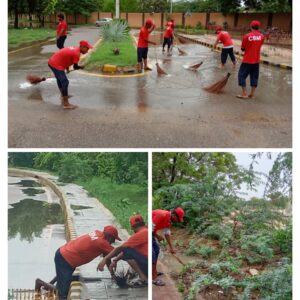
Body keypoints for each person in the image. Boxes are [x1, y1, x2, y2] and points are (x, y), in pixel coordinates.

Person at [51, 225, 121, 300]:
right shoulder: (102, 243)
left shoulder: (98, 233)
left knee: (63, 277)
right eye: (113, 240)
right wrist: (116, 259)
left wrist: (112, 274)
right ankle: (42, 284)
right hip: (66, 259)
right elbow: (118, 252)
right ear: (110, 237)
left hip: (64, 253)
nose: (113, 242)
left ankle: (46, 284)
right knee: (63, 293)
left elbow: (107, 257)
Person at [97, 214, 148, 286]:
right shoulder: (147, 230)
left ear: (132, 227)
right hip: (149, 263)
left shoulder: (139, 235)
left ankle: (143, 278)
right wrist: (115, 260)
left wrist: (105, 259)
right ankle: (140, 275)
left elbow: (120, 249)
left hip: (147, 264)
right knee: (129, 251)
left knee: (127, 252)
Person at [48, 40, 93, 109]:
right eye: (87, 49)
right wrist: (81, 67)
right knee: (65, 82)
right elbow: (75, 67)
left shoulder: (75, 50)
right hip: (55, 64)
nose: (87, 51)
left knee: (60, 79)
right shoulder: (76, 53)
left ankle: (63, 95)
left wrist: (67, 69)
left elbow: (67, 59)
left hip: (53, 62)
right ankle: (66, 104)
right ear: (82, 47)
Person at [152, 207, 185, 286]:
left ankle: (154, 272)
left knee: (156, 249)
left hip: (151, 232)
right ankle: (153, 278)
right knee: (152, 253)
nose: (177, 221)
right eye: (178, 219)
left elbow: (167, 233)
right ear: (173, 215)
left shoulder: (169, 220)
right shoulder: (162, 215)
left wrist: (171, 248)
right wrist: (157, 236)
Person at [237, 20, 265, 99]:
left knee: (241, 75)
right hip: (256, 61)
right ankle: (252, 94)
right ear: (258, 27)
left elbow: (242, 49)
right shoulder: (262, 36)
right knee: (254, 77)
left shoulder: (247, 36)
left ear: (251, 26)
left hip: (247, 60)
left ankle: (244, 93)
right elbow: (260, 45)